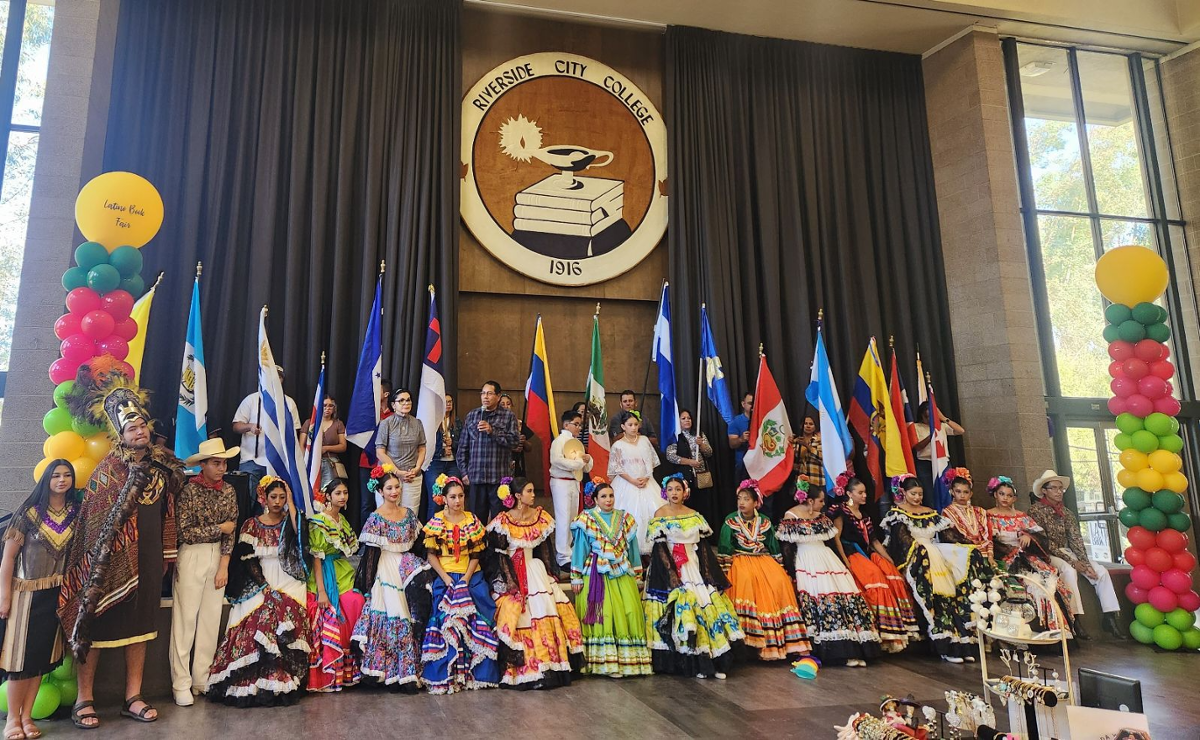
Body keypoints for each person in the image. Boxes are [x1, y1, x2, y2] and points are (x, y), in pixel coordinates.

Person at [60, 365, 185, 727]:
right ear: (119, 434)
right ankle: (84, 699)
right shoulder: (107, 470)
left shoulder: (162, 466)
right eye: (132, 428)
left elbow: (168, 513)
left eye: (143, 425)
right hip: (108, 564)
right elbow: (94, 526)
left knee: (142, 627)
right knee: (94, 631)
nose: (140, 430)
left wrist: (166, 552)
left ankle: (134, 695)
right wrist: (106, 559)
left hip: (147, 560)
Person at [206, 477, 310, 706]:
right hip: (258, 579)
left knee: (286, 614)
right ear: (263, 497)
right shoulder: (251, 525)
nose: (278, 502)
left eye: (282, 497)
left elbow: (301, 534)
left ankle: (282, 680)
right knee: (258, 617)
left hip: (288, 579)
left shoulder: (289, 521)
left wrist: (292, 502)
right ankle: (252, 681)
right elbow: (248, 560)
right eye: (274, 497)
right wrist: (264, 586)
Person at [0, 460, 80, 738]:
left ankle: (27, 716)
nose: (61, 480)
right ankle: (12, 719)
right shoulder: (28, 513)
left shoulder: (75, 513)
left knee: (39, 661)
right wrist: (4, 597)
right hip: (25, 594)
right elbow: (8, 559)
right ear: (46, 479)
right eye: (56, 475)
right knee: (18, 661)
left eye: (67, 475)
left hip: (56, 593)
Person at [881, 475, 994, 663]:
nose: (917, 498)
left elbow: (948, 534)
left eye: (920, 494)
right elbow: (902, 542)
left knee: (963, 574)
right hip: (918, 557)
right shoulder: (897, 513)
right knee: (937, 597)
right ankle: (945, 644)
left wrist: (969, 546)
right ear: (904, 493)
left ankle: (964, 642)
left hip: (937, 554)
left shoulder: (930, 513)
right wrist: (923, 552)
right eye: (913, 494)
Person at [485, 477, 584, 688]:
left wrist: (550, 575)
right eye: (529, 491)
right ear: (518, 496)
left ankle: (549, 664)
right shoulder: (502, 522)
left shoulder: (540, 517)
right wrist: (511, 585)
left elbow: (545, 550)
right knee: (518, 615)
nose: (533, 494)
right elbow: (499, 557)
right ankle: (528, 669)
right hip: (513, 573)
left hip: (535, 570)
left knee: (548, 608)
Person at [642, 475, 743, 678]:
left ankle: (708, 659)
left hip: (692, 566)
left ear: (684, 492)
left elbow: (703, 549)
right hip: (668, 568)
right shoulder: (660, 515)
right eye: (670, 489)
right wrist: (672, 577)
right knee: (681, 607)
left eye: (677, 489)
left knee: (703, 604)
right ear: (665, 492)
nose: (674, 493)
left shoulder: (694, 516)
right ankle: (689, 661)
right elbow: (660, 549)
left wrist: (708, 575)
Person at [777, 481, 881, 667]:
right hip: (806, 560)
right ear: (809, 501)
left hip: (825, 558)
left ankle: (854, 649)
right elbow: (787, 547)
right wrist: (791, 570)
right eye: (820, 501)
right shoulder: (791, 515)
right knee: (819, 599)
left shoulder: (821, 517)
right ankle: (834, 652)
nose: (823, 504)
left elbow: (832, 541)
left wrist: (842, 563)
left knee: (842, 596)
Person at [170, 438, 240, 707]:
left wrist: (224, 565)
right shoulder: (189, 491)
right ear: (203, 464)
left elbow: (232, 528)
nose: (221, 468)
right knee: (185, 620)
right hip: (192, 554)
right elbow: (184, 531)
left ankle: (202, 676)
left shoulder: (229, 491)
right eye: (215, 463)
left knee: (210, 621)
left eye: (223, 463)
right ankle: (181, 682)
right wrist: (218, 529)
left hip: (217, 556)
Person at [351, 465, 432, 690]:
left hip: (406, 566)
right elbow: (370, 555)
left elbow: (420, 544)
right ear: (380, 491)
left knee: (408, 614)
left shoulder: (408, 515)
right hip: (386, 566)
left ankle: (406, 672)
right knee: (391, 610)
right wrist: (368, 585)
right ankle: (384, 670)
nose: (395, 491)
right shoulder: (375, 518)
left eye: (397, 487)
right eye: (389, 488)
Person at [421, 475, 500, 693]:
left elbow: (476, 553)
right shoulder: (437, 521)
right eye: (453, 497)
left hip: (470, 576)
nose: (458, 501)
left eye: (461, 496)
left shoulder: (472, 520)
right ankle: (447, 675)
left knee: (477, 616)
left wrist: (465, 578)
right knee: (445, 621)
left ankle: (477, 674)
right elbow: (431, 555)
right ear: (444, 499)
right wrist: (447, 579)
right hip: (446, 576)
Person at [717, 480, 811, 661]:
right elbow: (724, 547)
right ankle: (747, 641)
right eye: (739, 499)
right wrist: (725, 570)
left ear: (756, 502)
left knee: (779, 581)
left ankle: (778, 640)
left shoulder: (765, 522)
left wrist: (780, 566)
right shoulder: (730, 520)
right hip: (740, 559)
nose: (742, 502)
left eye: (746, 499)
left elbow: (773, 547)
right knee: (744, 580)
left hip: (764, 559)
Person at [569, 477, 653, 678]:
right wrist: (576, 576)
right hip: (597, 572)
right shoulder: (586, 519)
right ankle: (606, 663)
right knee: (604, 614)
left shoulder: (625, 518)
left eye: (611, 496)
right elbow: (580, 550)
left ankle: (628, 661)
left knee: (629, 612)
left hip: (621, 571)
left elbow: (632, 549)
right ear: (595, 499)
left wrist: (637, 572)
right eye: (604, 496)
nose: (608, 500)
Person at [827, 474, 919, 653]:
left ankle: (893, 630)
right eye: (860, 492)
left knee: (892, 576)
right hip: (850, 551)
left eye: (865, 492)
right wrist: (844, 561)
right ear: (849, 493)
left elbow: (874, 541)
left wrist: (890, 561)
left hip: (865, 551)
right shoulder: (841, 511)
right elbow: (836, 537)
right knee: (875, 578)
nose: (864, 496)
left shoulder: (865, 515)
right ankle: (878, 627)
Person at [1027, 470, 1123, 639]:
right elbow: (1045, 543)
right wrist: (1073, 562)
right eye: (1054, 488)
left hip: (1068, 551)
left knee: (1101, 571)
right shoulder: (1036, 511)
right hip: (1050, 554)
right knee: (1069, 572)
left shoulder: (1067, 513)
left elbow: (1076, 540)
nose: (1058, 492)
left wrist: (1084, 563)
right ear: (1044, 490)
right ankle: (1075, 619)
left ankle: (1110, 617)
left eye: (1061, 489)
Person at [985, 476, 1075, 635]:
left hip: (1027, 556)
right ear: (995, 495)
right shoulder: (987, 516)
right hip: (1003, 558)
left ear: (1015, 498)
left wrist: (1029, 536)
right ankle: (1022, 635)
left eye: (1009, 495)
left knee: (1051, 580)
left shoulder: (1021, 516)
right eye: (1002, 494)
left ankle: (1057, 630)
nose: (1005, 498)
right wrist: (1006, 550)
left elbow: (1042, 537)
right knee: (1021, 587)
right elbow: (986, 539)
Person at [306, 478, 365, 692]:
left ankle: (350, 668)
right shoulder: (320, 521)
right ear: (328, 497)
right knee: (331, 608)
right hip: (323, 572)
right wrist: (322, 590)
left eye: (345, 492)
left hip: (340, 570)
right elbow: (316, 558)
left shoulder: (341, 520)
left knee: (356, 601)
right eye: (338, 493)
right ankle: (329, 670)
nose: (342, 496)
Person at [232, 365, 301, 494]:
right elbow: (236, 426)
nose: (274, 380)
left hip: (279, 461)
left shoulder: (289, 403)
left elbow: (295, 432)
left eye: (278, 377)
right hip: (251, 460)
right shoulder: (251, 400)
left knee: (275, 501)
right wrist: (250, 426)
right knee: (248, 500)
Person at [458, 381, 520, 521]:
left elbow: (515, 442)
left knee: (499, 521)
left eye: (489, 393)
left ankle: (496, 544)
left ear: (498, 396)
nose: (485, 397)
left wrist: (492, 431)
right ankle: (479, 543)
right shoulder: (472, 415)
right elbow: (463, 447)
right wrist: (464, 472)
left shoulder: (508, 416)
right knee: (475, 520)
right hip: (476, 477)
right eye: (483, 393)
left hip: (498, 478)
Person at [608, 411, 663, 552]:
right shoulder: (618, 445)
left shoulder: (644, 440)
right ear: (623, 426)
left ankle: (653, 545)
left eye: (636, 424)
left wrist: (647, 476)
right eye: (630, 425)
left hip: (647, 481)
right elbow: (617, 468)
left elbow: (650, 461)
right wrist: (632, 480)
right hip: (627, 483)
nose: (633, 428)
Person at [549, 409, 593, 572]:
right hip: (561, 482)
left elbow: (586, 466)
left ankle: (570, 552)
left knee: (572, 519)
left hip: (574, 482)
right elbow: (556, 460)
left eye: (580, 425)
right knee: (563, 518)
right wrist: (578, 464)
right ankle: (562, 556)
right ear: (566, 424)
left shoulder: (576, 443)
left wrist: (587, 460)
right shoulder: (559, 441)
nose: (578, 428)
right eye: (576, 424)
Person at [374, 388, 426, 512]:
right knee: (388, 514)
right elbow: (380, 452)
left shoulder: (417, 423)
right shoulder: (386, 423)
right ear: (393, 405)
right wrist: (397, 472)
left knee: (410, 514)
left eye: (408, 400)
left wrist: (417, 468)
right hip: (390, 476)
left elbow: (422, 447)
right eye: (401, 400)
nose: (406, 403)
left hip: (412, 476)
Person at [665, 409, 716, 526]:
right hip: (685, 477)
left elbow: (709, 453)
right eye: (683, 418)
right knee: (688, 504)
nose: (687, 420)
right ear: (678, 421)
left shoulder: (699, 434)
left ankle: (703, 532)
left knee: (703, 505)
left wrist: (701, 444)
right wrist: (689, 462)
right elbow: (671, 456)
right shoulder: (675, 436)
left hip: (701, 476)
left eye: (689, 418)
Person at [912, 402, 965, 508]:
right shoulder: (915, 427)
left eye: (932, 416)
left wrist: (944, 418)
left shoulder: (941, 426)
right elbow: (917, 447)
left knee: (946, 492)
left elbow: (960, 431)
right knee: (929, 495)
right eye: (927, 417)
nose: (929, 419)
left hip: (942, 463)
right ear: (921, 415)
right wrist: (931, 435)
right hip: (925, 463)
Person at [357, 379, 392, 529]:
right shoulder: (369, 413)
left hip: (385, 465)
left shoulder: (393, 416)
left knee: (385, 501)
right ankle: (366, 537)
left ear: (386, 394)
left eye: (378, 390)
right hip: (366, 462)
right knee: (366, 503)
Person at [422, 393, 463, 521]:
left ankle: (453, 529)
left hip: (453, 463)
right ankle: (431, 534)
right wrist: (441, 448)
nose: (448, 404)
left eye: (450, 401)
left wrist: (453, 444)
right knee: (435, 499)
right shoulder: (432, 422)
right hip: (435, 462)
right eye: (445, 402)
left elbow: (464, 443)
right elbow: (425, 444)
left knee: (454, 498)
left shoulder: (457, 422)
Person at [939, 469, 993, 561]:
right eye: (958, 491)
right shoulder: (948, 512)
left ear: (971, 494)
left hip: (985, 554)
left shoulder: (980, 511)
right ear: (952, 492)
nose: (962, 495)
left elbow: (989, 537)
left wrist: (991, 557)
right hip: (962, 556)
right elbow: (949, 538)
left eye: (965, 492)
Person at [301, 397, 347, 489]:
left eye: (331, 406)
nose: (327, 408)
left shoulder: (338, 424)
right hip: (311, 462)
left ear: (334, 408)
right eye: (324, 405)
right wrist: (303, 462)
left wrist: (326, 448)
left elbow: (343, 446)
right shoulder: (309, 423)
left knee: (329, 491)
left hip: (331, 463)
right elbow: (301, 445)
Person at [498, 394, 534, 478]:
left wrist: (523, 441)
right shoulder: (494, 424)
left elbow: (529, 448)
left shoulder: (519, 424)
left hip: (517, 465)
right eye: (502, 404)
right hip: (500, 465)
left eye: (508, 404)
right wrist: (511, 447)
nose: (506, 406)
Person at [726, 392, 753, 481]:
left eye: (755, 403)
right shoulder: (736, 421)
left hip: (761, 465)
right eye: (750, 403)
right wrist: (741, 439)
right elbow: (732, 444)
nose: (753, 406)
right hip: (743, 466)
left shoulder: (764, 420)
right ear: (743, 404)